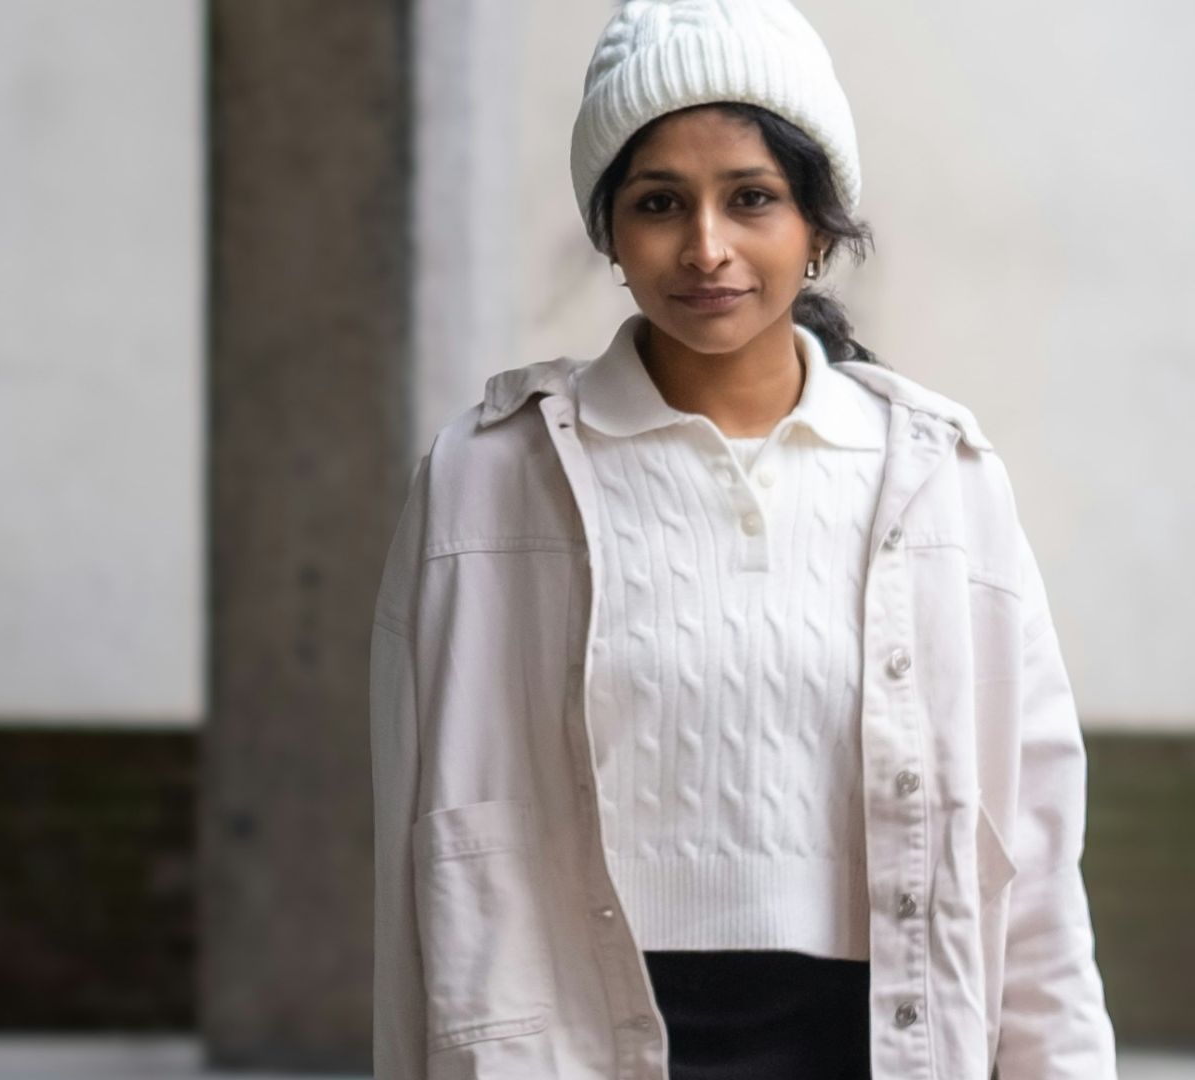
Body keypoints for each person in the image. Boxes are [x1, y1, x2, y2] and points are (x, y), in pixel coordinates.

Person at [369, 2, 1117, 1078]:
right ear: (610, 234)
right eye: (660, 202)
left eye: (752, 198)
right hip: (581, 1042)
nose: (706, 248)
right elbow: (421, 852)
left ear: (819, 226)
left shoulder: (937, 479)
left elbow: (1035, 855)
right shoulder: (488, 479)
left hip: (876, 1039)